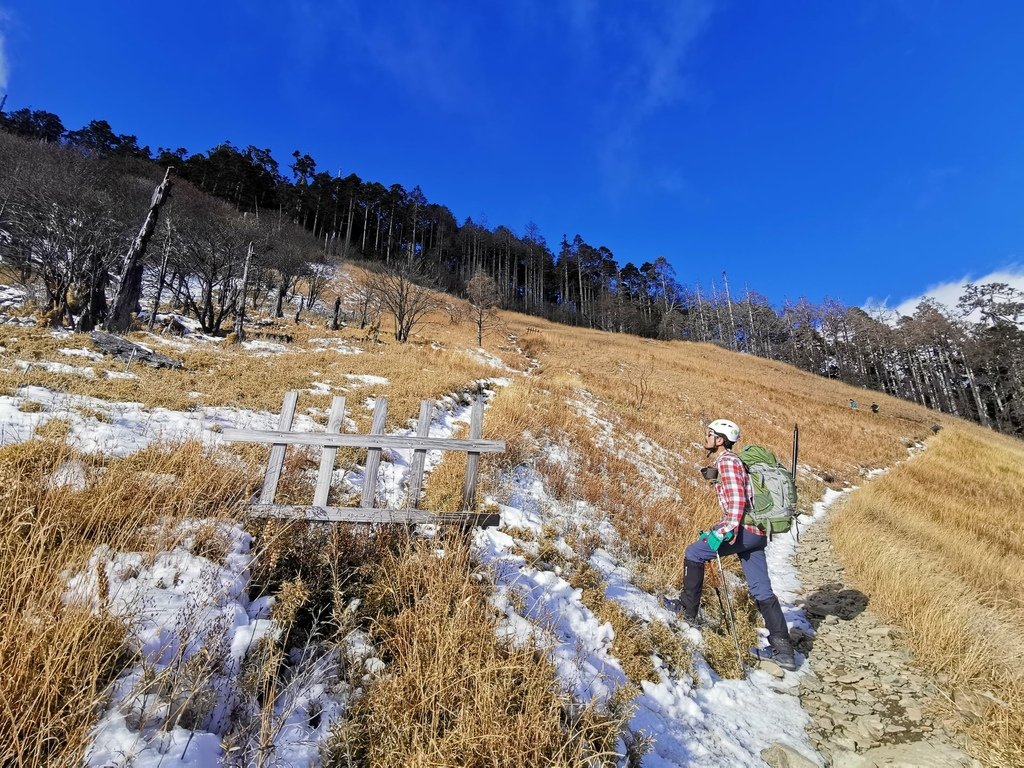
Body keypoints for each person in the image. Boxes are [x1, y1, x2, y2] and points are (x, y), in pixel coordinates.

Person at [676, 418, 798, 671]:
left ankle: (687, 612)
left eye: (710, 434)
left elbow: (738, 502)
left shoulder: (727, 462)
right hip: (756, 533)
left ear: (720, 440)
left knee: (695, 553)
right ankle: (783, 649)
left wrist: (723, 530)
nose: (706, 437)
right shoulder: (732, 462)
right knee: (761, 588)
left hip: (742, 530)